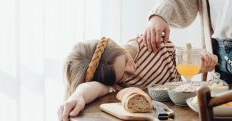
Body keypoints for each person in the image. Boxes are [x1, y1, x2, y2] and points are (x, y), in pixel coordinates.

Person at [57, 35, 217, 121]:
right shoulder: (114, 84)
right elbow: (91, 88)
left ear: (118, 47)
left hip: (188, 109)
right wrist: (78, 95)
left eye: (126, 60)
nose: (131, 70)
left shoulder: (146, 45)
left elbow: (181, 62)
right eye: (124, 75)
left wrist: (203, 64)